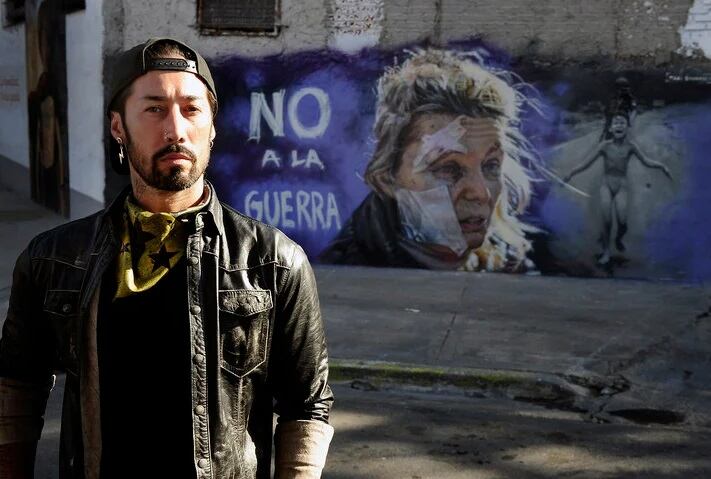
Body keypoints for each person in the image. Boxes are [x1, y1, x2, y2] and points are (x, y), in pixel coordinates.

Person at [0, 38, 333, 479]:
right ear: (118, 127)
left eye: (191, 109)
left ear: (212, 127)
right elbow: (16, 388)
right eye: (154, 109)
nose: (175, 129)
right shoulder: (53, 259)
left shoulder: (274, 262)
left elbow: (307, 407)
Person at [319, 49, 538, 272]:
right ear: (387, 179)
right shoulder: (346, 276)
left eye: (491, 165)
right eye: (448, 168)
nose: (481, 193)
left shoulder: (513, 266)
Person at [564, 112, 672, 265]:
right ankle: (606, 251)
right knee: (607, 219)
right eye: (616, 123)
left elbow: (646, 161)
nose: (619, 125)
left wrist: (662, 166)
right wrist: (571, 173)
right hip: (606, 184)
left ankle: (618, 238)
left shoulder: (631, 147)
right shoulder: (605, 146)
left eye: (622, 123)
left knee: (622, 222)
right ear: (611, 128)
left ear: (627, 128)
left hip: (622, 185)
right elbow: (586, 163)